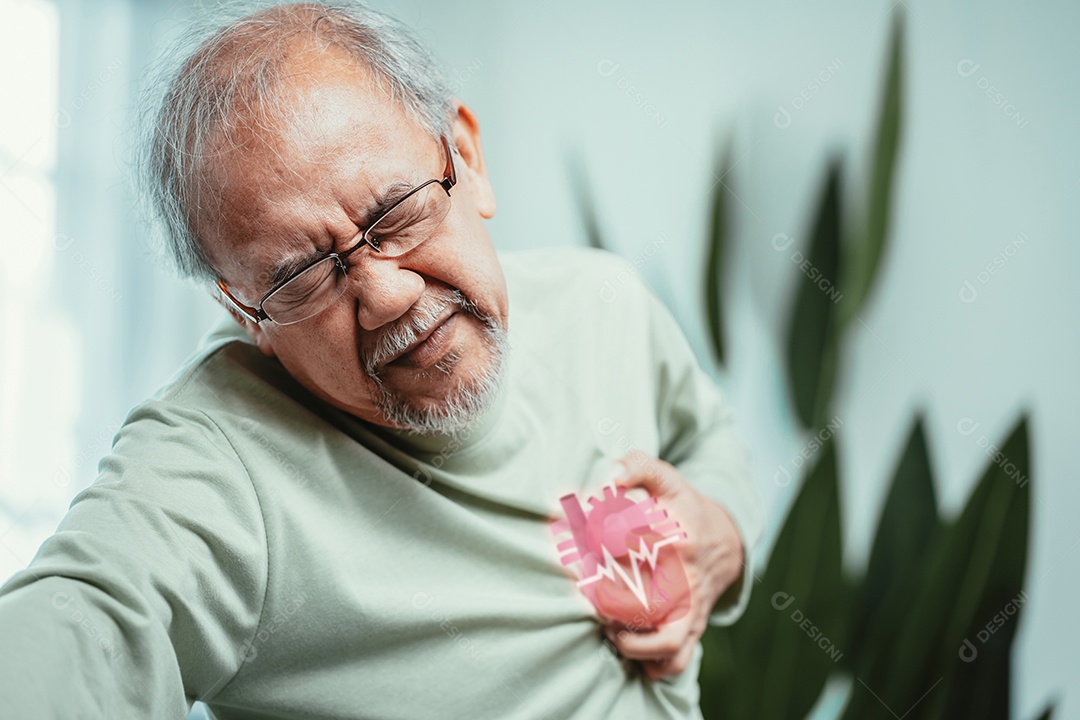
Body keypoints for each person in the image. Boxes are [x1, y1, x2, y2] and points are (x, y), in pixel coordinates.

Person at [0, 2, 764, 718]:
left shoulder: (605, 302)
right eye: (301, 276)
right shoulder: (217, 463)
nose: (388, 297)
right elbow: (83, 619)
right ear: (244, 313)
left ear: (466, 155)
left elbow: (709, 438)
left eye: (395, 214)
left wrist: (720, 534)